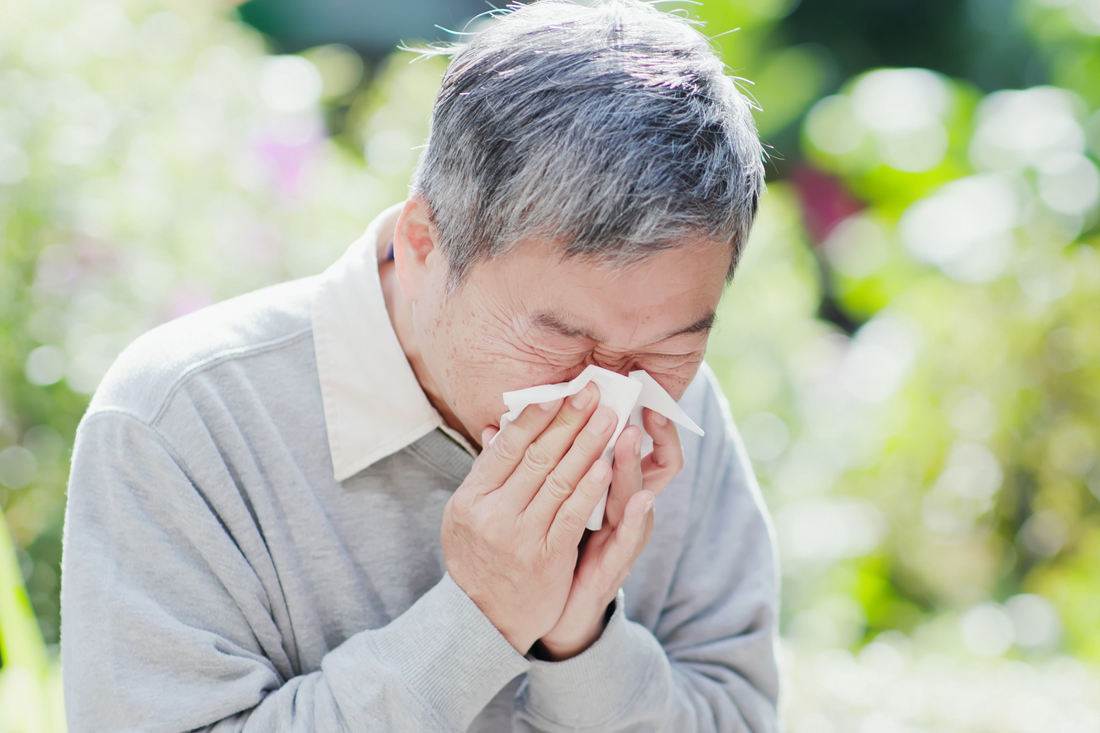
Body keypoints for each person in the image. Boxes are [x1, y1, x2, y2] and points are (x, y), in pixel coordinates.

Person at [60, 0, 778, 730]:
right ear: (423, 247)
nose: (610, 393)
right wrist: (479, 616)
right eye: (562, 338)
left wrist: (583, 642)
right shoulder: (183, 420)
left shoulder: (675, 413)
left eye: (668, 347)